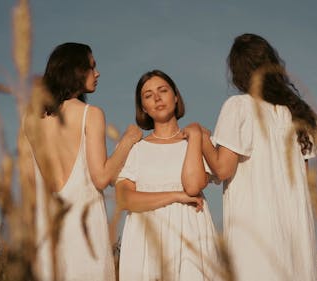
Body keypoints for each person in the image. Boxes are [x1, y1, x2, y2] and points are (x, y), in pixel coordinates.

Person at [201, 33, 317, 280]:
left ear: (237, 72)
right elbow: (305, 181)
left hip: (255, 235)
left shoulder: (239, 107)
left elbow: (223, 169)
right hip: (295, 234)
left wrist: (201, 138)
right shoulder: (298, 114)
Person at [21, 42, 142, 281]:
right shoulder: (90, 113)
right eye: (91, 67)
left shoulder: (29, 119)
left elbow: (28, 190)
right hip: (85, 234)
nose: (97, 73)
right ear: (75, 70)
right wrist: (128, 140)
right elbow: (102, 177)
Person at [115, 70, 220, 280]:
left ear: (175, 97)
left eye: (163, 90)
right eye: (148, 95)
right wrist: (176, 196)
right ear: (143, 107)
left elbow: (193, 186)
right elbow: (124, 199)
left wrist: (195, 138)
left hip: (191, 236)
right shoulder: (135, 148)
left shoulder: (198, 140)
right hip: (146, 240)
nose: (157, 98)